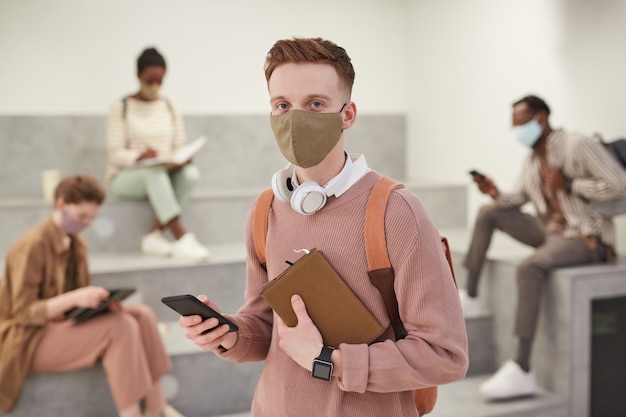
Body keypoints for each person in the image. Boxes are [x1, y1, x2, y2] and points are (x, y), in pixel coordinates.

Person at [178, 37, 468, 417]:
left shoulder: (397, 212)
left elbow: (444, 356)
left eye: (316, 104)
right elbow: (267, 328)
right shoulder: (264, 211)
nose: (295, 119)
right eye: (282, 105)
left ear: (347, 115)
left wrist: (328, 359)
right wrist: (228, 333)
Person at [460, 95, 626, 400]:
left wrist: (572, 185)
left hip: (586, 237)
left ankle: (522, 368)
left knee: (529, 266)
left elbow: (620, 183)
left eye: (521, 124)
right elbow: (519, 199)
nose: (517, 132)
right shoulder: (533, 157)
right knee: (488, 212)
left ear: (540, 119)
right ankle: (471, 295)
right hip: (548, 230)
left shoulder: (579, 144)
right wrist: (495, 192)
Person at [0, 175, 185, 417]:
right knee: (120, 326)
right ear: (61, 205)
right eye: (81, 217)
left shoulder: (77, 244)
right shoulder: (32, 245)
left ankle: (157, 408)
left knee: (142, 315)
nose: (86, 224)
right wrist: (75, 298)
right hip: (26, 338)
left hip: (60, 325)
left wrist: (102, 305)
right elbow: (23, 313)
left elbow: (77, 306)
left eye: (92, 218)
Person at [106, 47, 209, 260]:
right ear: (138, 75)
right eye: (149, 80)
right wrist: (138, 157)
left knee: (191, 174)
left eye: (159, 81)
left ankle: (153, 233)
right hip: (126, 177)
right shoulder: (121, 106)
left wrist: (182, 158)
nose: (154, 86)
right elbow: (115, 153)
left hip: (161, 173)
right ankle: (181, 236)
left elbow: (179, 144)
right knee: (153, 173)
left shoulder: (169, 106)